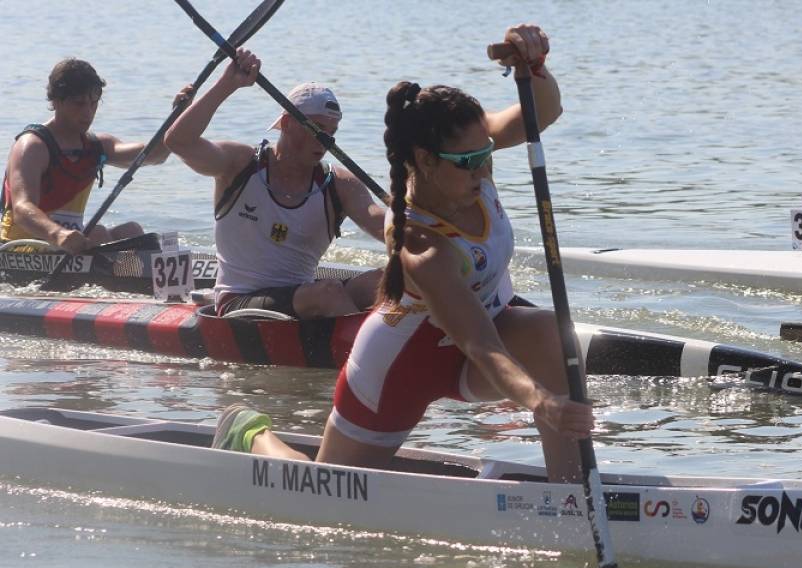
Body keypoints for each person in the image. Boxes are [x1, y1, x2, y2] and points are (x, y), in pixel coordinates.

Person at [211, 24, 593, 483]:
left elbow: (542, 113)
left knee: (553, 332)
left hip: (475, 344)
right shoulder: (420, 242)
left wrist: (535, 68)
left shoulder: (470, 153)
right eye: (469, 163)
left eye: (486, 154)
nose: (483, 168)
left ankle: (571, 492)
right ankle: (251, 433)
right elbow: (481, 345)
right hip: (399, 367)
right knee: (329, 490)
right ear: (426, 160)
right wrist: (542, 402)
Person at [165, 51, 386, 319]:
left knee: (393, 279)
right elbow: (179, 142)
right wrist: (227, 85)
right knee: (328, 293)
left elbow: (384, 226)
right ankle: (366, 344)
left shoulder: (340, 184)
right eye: (317, 128)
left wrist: (419, 222)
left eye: (331, 132)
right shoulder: (241, 164)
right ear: (287, 124)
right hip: (238, 302)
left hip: (302, 298)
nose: (325, 141)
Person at [1, 58, 180, 254]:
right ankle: (124, 272)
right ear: (56, 101)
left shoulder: (96, 146)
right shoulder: (32, 146)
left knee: (132, 231)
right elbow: (22, 208)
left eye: (93, 104)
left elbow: (156, 155)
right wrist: (58, 234)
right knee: (98, 234)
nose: (88, 113)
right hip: (18, 248)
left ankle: (145, 272)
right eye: (79, 104)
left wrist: (179, 116)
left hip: (62, 246)